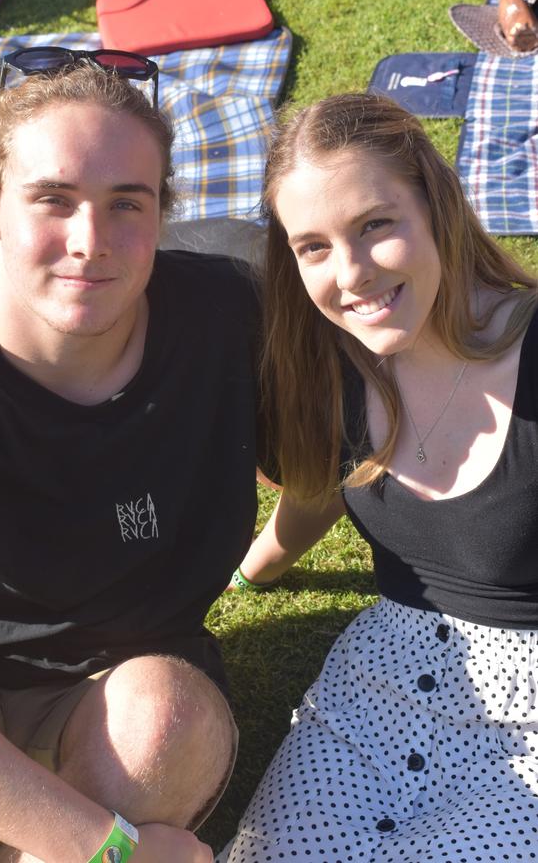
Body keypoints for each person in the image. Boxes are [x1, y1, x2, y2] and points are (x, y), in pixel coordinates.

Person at [0, 52, 267, 863]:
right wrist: (97, 848)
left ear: (162, 215)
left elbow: (395, 399)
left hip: (120, 707)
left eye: (125, 203)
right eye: (52, 199)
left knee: (164, 717)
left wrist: (277, 549)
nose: (89, 242)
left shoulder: (231, 314)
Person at [220, 92, 538, 862]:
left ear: (435, 202)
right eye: (314, 247)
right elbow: (317, 489)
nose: (351, 274)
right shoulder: (330, 362)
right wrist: (256, 567)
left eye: (375, 225)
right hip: (377, 689)